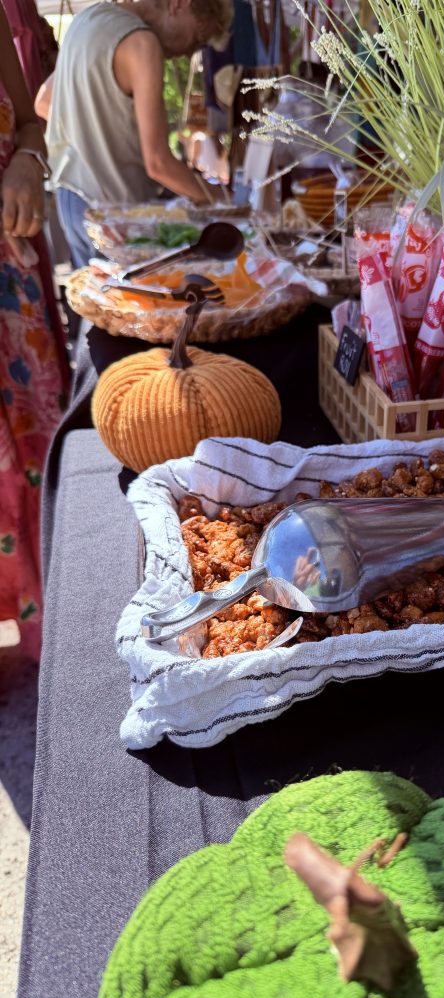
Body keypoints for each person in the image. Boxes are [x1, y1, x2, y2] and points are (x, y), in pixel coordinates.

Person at [39, 0, 233, 269]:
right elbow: (158, 163)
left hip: (72, 202)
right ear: (179, 5)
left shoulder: (86, 20)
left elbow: (44, 101)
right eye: (197, 38)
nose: (189, 53)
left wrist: (96, 133)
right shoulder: (142, 43)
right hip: (113, 212)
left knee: (96, 293)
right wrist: (220, 199)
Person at [0, 2, 70, 658]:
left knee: (39, 452)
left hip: (11, 284)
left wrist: (26, 156)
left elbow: (29, 123)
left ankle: (51, 646)